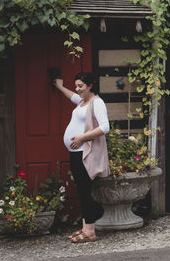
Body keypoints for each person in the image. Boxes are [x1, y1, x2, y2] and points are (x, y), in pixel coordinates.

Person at [54, 72, 110, 243]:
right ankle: (86, 228)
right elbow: (71, 95)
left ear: (90, 86)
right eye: (76, 86)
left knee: (85, 191)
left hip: (85, 152)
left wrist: (81, 138)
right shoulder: (82, 101)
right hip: (76, 152)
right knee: (82, 190)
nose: (77, 89)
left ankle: (91, 232)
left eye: (80, 86)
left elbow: (105, 127)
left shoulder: (97, 103)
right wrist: (59, 86)